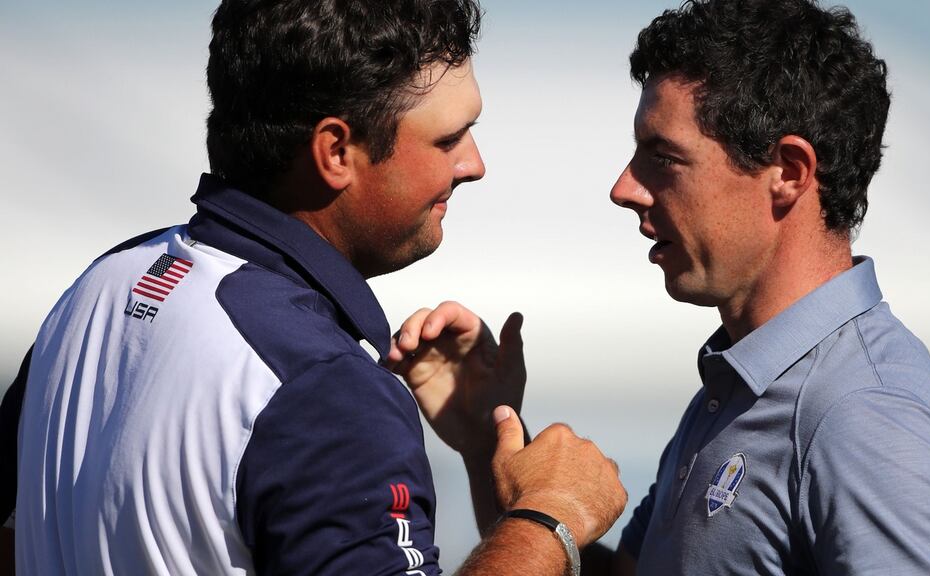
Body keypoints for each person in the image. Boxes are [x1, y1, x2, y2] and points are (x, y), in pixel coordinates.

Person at [0, 0, 626, 574]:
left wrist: (484, 449)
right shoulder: (322, 389)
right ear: (335, 152)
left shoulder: (100, 286)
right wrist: (548, 519)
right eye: (446, 139)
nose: (474, 164)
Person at [396, 0, 930, 574]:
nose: (624, 187)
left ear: (788, 172)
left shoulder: (872, 416)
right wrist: (488, 444)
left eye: (664, 157)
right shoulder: (741, 386)